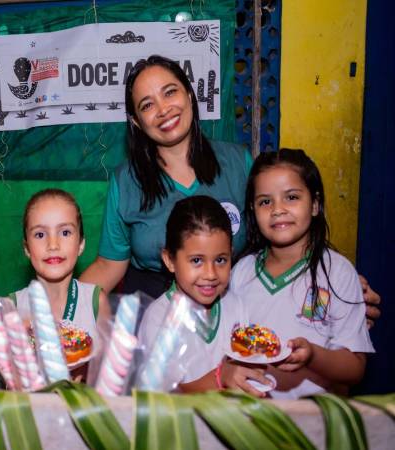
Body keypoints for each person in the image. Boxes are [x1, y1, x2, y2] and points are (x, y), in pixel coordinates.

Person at [79, 54, 381, 321]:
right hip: (152, 315)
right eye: (147, 105)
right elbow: (108, 265)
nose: (163, 109)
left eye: (170, 92)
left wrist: (334, 279)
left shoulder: (238, 162)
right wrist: (62, 305)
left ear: (189, 94)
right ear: (136, 121)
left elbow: (283, 225)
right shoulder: (126, 180)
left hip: (231, 308)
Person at [228, 149, 374, 398]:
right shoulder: (241, 271)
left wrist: (313, 356)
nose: (277, 209)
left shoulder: (337, 273)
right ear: (253, 210)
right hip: (252, 419)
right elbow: (226, 344)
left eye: (291, 197)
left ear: (315, 204)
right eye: (265, 201)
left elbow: (355, 368)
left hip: (314, 423)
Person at [138, 195, 260, 393]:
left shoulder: (236, 305)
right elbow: (163, 395)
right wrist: (220, 378)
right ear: (169, 260)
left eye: (220, 260)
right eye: (196, 261)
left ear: (231, 254)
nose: (210, 274)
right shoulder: (158, 318)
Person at [10, 189, 110, 346]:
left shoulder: (96, 302)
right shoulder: (11, 308)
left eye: (65, 232)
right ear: (27, 248)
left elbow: (107, 367)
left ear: (81, 244)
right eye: (40, 235)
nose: (53, 245)